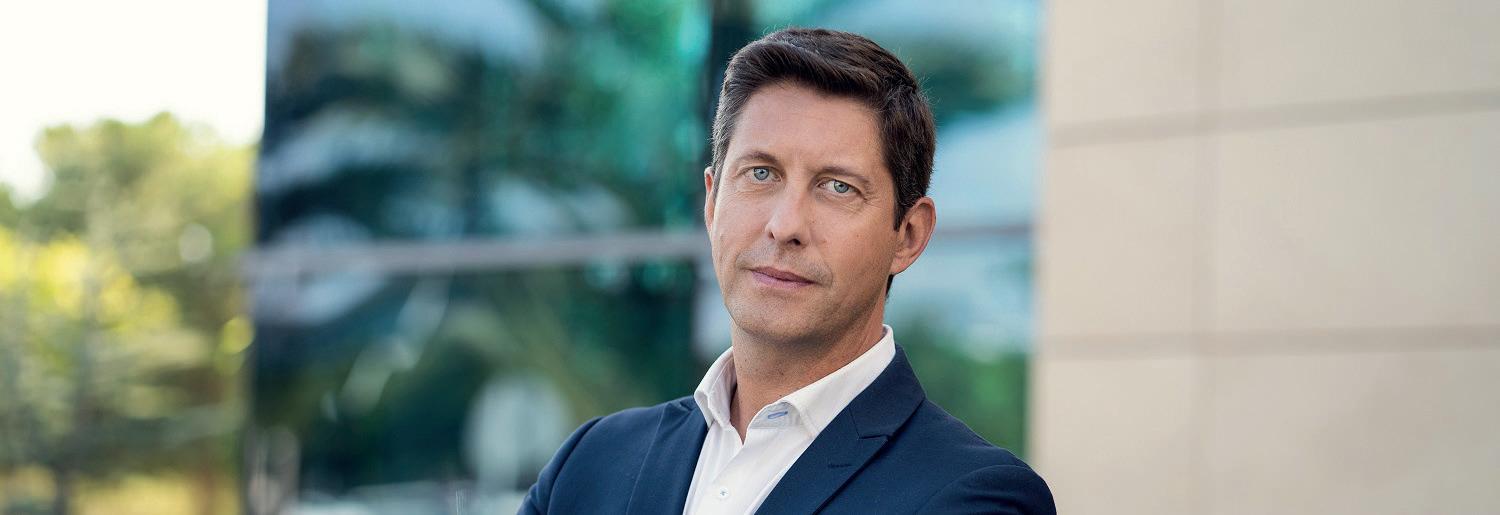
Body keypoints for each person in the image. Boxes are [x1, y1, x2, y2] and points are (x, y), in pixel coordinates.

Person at [520, 27, 1054, 514]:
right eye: (760, 173)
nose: (785, 225)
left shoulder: (976, 497)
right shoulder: (588, 467)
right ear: (712, 203)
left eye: (838, 187)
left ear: (908, 235)